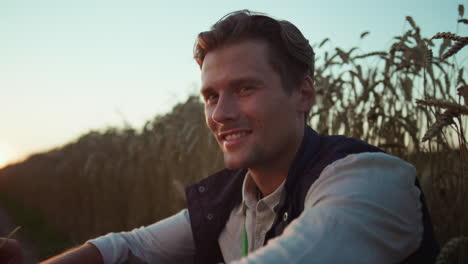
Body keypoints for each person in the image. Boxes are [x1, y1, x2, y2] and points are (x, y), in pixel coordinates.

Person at [2, 10, 438, 264]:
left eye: (245, 88)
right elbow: (127, 248)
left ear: (304, 93)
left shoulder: (372, 180)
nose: (221, 114)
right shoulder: (228, 198)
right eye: (211, 96)